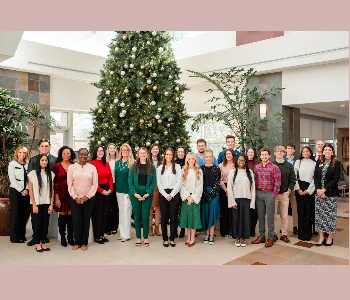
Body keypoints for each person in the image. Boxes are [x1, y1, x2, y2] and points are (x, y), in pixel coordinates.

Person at [27, 138, 57, 247]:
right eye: (42, 146)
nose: (44, 148)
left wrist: (52, 202)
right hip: (36, 196)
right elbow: (30, 181)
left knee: (45, 221)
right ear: (39, 147)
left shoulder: (55, 160)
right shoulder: (33, 160)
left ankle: (43, 239)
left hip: (47, 197)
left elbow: (53, 185)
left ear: (50, 147)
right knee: (36, 220)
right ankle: (36, 239)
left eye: (46, 146)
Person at [68, 148, 98, 251]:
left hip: (88, 199)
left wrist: (87, 197)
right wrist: (75, 197)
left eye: (85, 154)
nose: (83, 156)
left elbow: (95, 185)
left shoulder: (92, 168)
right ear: (78, 155)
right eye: (81, 154)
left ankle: (84, 242)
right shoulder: (72, 168)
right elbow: (70, 184)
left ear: (88, 155)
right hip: (74, 199)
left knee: (86, 220)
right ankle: (77, 242)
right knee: (76, 220)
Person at [252, 148, 281, 248]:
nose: (264, 157)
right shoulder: (257, 168)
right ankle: (261, 236)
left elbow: (278, 182)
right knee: (260, 216)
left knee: (270, 217)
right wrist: (255, 193)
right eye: (262, 155)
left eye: (266, 155)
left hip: (270, 194)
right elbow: (255, 181)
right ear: (260, 156)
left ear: (269, 156)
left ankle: (270, 237)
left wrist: (274, 194)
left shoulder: (274, 167)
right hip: (259, 194)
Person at [128, 147, 156, 247]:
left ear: (147, 154)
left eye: (144, 153)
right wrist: (135, 193)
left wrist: (148, 192)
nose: (142, 155)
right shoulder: (133, 166)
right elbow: (130, 182)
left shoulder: (151, 167)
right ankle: (138, 237)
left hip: (147, 193)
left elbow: (153, 182)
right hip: (135, 194)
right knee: (137, 216)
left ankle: (146, 237)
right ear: (138, 154)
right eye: (141, 153)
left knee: (145, 216)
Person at [314, 143, 341, 246]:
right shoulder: (319, 162)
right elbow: (315, 177)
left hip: (330, 194)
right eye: (326, 150)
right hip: (319, 194)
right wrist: (318, 190)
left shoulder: (336, 163)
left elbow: (335, 179)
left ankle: (329, 237)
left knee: (330, 216)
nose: (327, 151)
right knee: (320, 216)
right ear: (323, 151)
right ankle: (321, 237)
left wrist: (324, 190)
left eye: (329, 150)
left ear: (332, 152)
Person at [227, 154, 255, 247]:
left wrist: (252, 202)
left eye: (243, 160)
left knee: (245, 219)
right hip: (236, 199)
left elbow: (253, 188)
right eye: (239, 160)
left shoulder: (250, 172)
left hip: (246, 199)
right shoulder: (232, 172)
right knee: (236, 219)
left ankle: (243, 238)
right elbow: (229, 188)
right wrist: (232, 202)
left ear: (246, 162)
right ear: (236, 161)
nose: (241, 162)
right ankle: (237, 237)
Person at [157, 148, 182, 247]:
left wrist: (171, 194)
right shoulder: (159, 168)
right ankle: (165, 238)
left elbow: (179, 181)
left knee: (173, 216)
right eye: (167, 154)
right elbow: (159, 183)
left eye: (170, 154)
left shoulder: (177, 167)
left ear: (173, 155)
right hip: (163, 193)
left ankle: (172, 238)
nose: (169, 156)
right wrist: (166, 195)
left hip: (174, 193)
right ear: (164, 155)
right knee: (164, 217)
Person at [52, 146, 76, 247]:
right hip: (60, 194)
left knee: (70, 216)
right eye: (64, 153)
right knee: (62, 216)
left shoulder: (74, 165)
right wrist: (56, 198)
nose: (66, 155)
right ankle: (63, 237)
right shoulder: (56, 166)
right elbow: (54, 183)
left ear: (71, 155)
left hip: (71, 194)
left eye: (68, 153)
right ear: (61, 154)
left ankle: (70, 237)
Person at [272, 146, 296, 243]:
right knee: (273, 216)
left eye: (282, 151)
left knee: (284, 216)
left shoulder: (289, 166)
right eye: (278, 151)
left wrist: (289, 190)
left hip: (284, 194)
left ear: (284, 153)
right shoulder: (272, 165)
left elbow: (293, 180)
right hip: (273, 195)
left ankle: (284, 234)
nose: (279, 153)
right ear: (275, 153)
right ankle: (274, 234)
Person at [90, 146, 113, 244]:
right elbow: (92, 180)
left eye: (102, 151)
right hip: (97, 190)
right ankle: (97, 235)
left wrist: (111, 189)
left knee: (105, 213)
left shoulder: (106, 163)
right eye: (98, 151)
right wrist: (101, 190)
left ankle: (102, 234)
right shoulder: (91, 164)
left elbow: (110, 177)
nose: (100, 152)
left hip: (107, 189)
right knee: (98, 214)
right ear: (95, 152)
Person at [179, 153, 203, 247]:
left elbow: (199, 186)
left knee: (193, 219)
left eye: (193, 158)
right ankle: (188, 238)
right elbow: (181, 185)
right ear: (187, 160)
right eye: (189, 159)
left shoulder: (199, 171)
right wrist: (187, 196)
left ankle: (192, 239)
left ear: (195, 160)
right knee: (187, 219)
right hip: (186, 198)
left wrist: (193, 197)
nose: (191, 160)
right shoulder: (183, 170)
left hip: (195, 198)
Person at [294, 146, 316, 241]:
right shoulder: (298, 162)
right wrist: (298, 189)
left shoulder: (315, 163)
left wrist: (308, 190)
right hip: (299, 187)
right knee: (301, 211)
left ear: (310, 153)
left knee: (308, 211)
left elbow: (315, 178)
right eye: (303, 151)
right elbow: (294, 176)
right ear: (301, 153)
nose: (305, 153)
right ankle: (301, 233)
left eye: (307, 151)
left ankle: (307, 234)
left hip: (309, 188)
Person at [8, 146, 30, 243]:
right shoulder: (12, 164)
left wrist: (27, 189)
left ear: (26, 154)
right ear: (17, 153)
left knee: (24, 214)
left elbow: (30, 179)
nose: (22, 154)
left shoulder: (28, 164)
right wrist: (21, 190)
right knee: (16, 213)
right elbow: (12, 178)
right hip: (16, 191)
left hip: (26, 192)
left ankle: (22, 235)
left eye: (24, 152)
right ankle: (15, 237)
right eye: (20, 152)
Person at [201, 148, 221, 245]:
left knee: (212, 214)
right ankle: (207, 234)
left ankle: (211, 235)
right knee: (206, 213)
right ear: (204, 158)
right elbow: (200, 183)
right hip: (204, 193)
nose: (208, 158)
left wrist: (211, 194)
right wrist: (205, 194)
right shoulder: (201, 168)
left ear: (213, 158)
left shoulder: (216, 168)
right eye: (206, 157)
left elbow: (218, 182)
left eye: (210, 157)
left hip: (214, 194)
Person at [115, 143, 134, 242]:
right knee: (121, 212)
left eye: (127, 150)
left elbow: (133, 179)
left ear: (129, 151)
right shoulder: (117, 162)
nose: (125, 152)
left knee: (127, 212)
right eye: (123, 150)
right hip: (118, 190)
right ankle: (122, 233)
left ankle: (127, 235)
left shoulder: (132, 163)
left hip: (128, 191)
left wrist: (131, 192)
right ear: (121, 151)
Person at [218, 149, 235, 238]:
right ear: (225, 156)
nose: (228, 155)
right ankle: (224, 231)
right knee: (224, 211)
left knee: (232, 211)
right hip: (223, 189)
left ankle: (232, 231)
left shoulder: (236, 165)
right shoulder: (221, 165)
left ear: (233, 155)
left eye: (230, 154)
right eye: (227, 154)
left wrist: (231, 190)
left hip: (234, 189)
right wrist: (226, 190)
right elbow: (219, 179)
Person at [148, 143, 162, 236]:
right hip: (149, 186)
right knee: (150, 208)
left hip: (159, 186)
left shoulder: (162, 161)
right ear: (151, 150)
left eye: (157, 149)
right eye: (153, 149)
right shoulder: (147, 160)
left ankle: (157, 227)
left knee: (157, 208)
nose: (155, 150)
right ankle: (150, 227)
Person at [105, 143, 119, 235]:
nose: (112, 149)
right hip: (107, 185)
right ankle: (107, 227)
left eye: (114, 148)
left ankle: (114, 226)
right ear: (108, 150)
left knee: (115, 207)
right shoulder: (105, 161)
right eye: (110, 148)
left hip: (117, 185)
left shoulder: (118, 160)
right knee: (107, 206)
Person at [285, 143, 298, 235]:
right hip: (284, 188)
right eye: (288, 148)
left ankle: (295, 226)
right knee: (284, 208)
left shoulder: (298, 161)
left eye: (291, 148)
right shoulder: (282, 160)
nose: (290, 150)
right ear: (286, 150)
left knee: (295, 208)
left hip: (294, 187)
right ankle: (284, 227)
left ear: (294, 150)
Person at [246, 147, 259, 237]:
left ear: (254, 154)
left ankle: (252, 230)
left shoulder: (258, 164)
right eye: (249, 152)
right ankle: (246, 229)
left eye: (252, 152)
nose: (250, 154)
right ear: (246, 153)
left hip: (255, 190)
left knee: (254, 211)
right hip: (245, 190)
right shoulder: (243, 162)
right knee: (246, 211)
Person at [175, 146, 187, 238]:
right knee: (175, 211)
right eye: (179, 152)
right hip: (175, 190)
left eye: (182, 152)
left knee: (183, 210)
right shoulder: (173, 163)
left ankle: (182, 230)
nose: (180, 153)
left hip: (185, 189)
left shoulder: (187, 163)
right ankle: (174, 230)